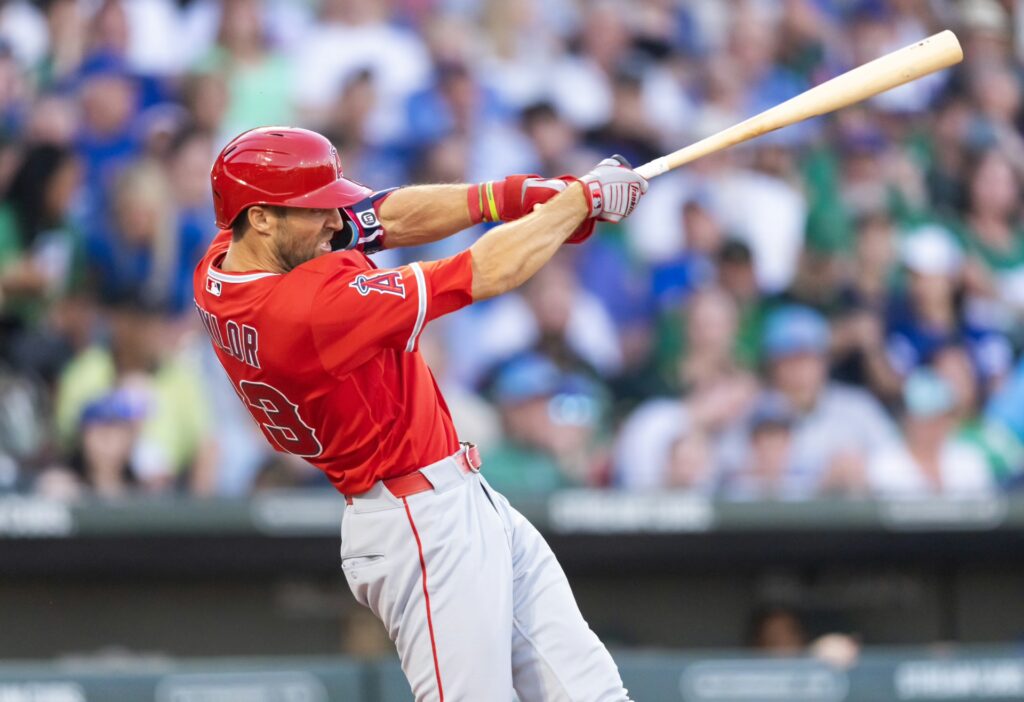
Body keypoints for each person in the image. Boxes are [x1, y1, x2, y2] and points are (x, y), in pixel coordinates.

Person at [193, 126, 646, 701]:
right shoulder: (304, 311)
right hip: (418, 520)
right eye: (316, 210)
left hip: (452, 498)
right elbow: (485, 271)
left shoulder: (225, 260)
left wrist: (517, 197)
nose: (335, 222)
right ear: (260, 217)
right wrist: (577, 202)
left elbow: (384, 216)